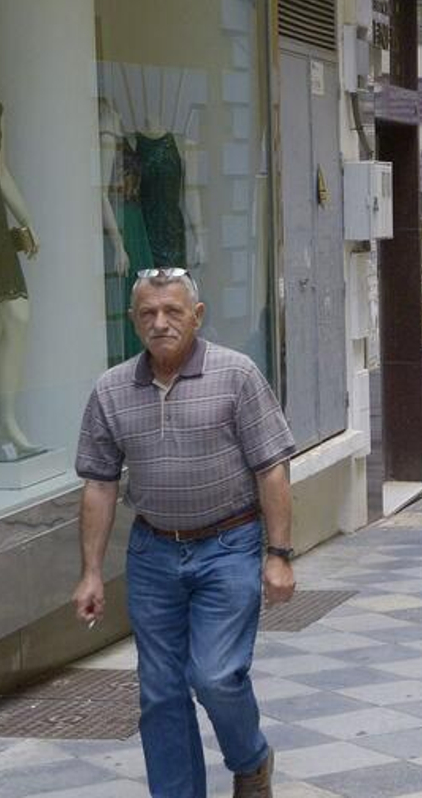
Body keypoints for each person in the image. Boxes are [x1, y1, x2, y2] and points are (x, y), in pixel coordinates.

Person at [72, 269, 296, 798]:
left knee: (216, 676)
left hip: (229, 545)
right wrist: (91, 574)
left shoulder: (236, 375)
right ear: (133, 322)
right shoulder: (111, 390)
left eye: (173, 311)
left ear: (197, 316)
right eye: (148, 313)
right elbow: (99, 485)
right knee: (161, 693)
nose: (160, 323)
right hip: (153, 553)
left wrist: (279, 555)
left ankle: (251, 759)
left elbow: (272, 469)